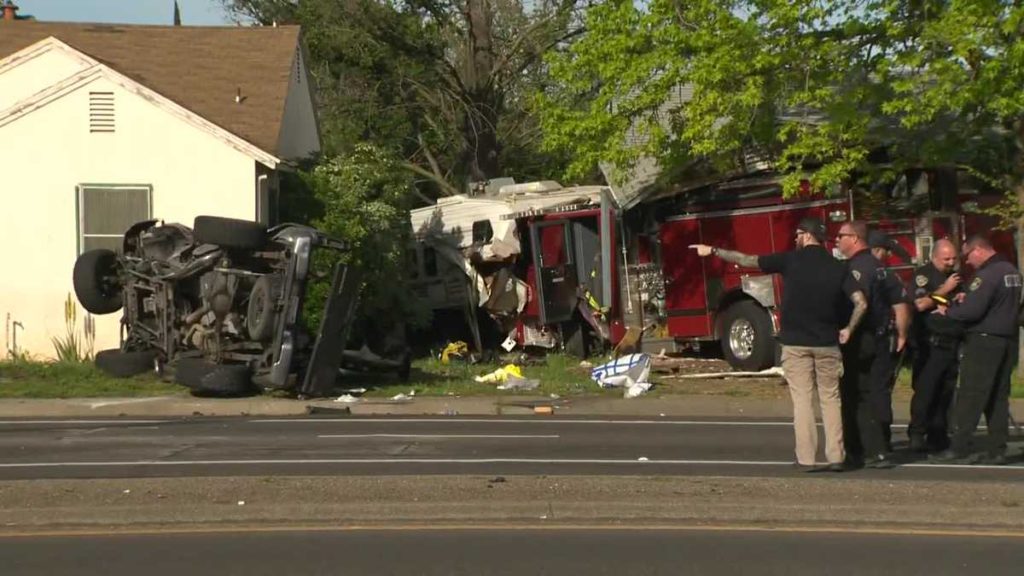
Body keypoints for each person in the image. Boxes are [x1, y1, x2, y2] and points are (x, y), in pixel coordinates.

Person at [691, 217, 867, 472]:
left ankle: (806, 458)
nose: (795, 239)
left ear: (806, 235)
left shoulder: (789, 261)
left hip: (795, 343)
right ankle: (836, 456)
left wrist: (713, 251)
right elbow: (861, 302)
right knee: (831, 399)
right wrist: (849, 329)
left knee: (803, 400)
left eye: (797, 234)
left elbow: (747, 260)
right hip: (828, 343)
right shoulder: (838, 267)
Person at [931, 234, 1021, 465]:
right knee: (998, 397)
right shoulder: (1011, 271)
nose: (968, 261)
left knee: (971, 394)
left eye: (968, 255)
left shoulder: (987, 275)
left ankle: (958, 447)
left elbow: (971, 312)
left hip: (984, 341)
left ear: (979, 250)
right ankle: (997, 450)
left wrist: (948, 311)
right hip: (1007, 340)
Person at [835, 222, 912, 469]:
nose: (837, 240)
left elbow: (858, 303)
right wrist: (901, 333)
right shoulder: (880, 267)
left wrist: (845, 330)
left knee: (853, 396)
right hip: (880, 338)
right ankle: (880, 448)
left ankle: (857, 450)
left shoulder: (857, 268)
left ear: (855, 238)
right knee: (876, 393)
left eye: (841, 236)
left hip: (860, 339)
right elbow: (899, 302)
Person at [908, 239, 962, 452]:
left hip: (951, 343)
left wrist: (959, 294)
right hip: (930, 344)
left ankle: (938, 434)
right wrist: (944, 290)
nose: (950, 262)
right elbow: (919, 304)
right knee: (926, 391)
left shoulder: (957, 277)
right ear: (934, 256)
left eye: (953, 258)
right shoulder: (924, 276)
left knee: (945, 392)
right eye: (946, 258)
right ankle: (917, 433)